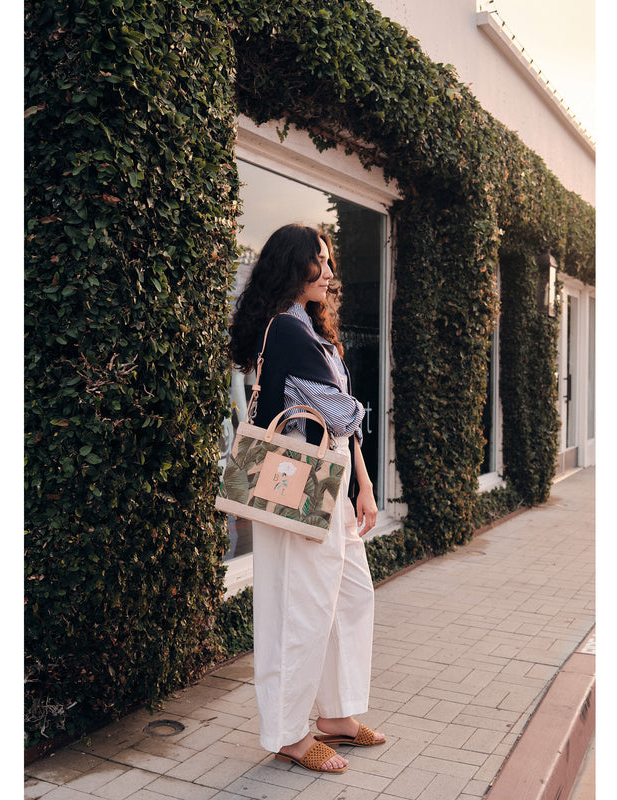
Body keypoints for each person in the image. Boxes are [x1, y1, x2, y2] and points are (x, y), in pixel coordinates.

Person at [228, 223, 386, 774]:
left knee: (350, 595)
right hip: (296, 482)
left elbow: (340, 424)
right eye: (317, 261)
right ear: (292, 267)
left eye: (328, 260)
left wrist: (363, 486)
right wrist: (356, 411)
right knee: (301, 608)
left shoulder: (310, 330)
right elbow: (343, 413)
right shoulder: (288, 332)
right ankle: (290, 734)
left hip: (328, 479)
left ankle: (338, 715)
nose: (328, 272)